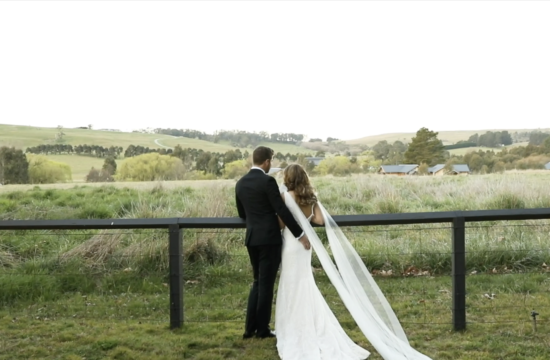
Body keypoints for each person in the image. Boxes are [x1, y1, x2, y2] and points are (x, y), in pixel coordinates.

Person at [275, 164, 432, 360]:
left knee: (291, 285)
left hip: (292, 245)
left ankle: (293, 327)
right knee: (305, 283)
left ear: (287, 177)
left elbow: (281, 224)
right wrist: (305, 215)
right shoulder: (311, 199)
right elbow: (321, 221)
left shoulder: (284, 197)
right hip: (306, 247)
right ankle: (312, 326)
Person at [235, 146, 311, 339]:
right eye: (271, 162)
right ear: (267, 162)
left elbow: (242, 214)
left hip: (252, 238)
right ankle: (262, 330)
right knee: (266, 285)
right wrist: (300, 234)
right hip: (269, 239)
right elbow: (281, 210)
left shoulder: (241, 183)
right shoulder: (267, 181)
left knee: (257, 282)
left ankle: (248, 329)